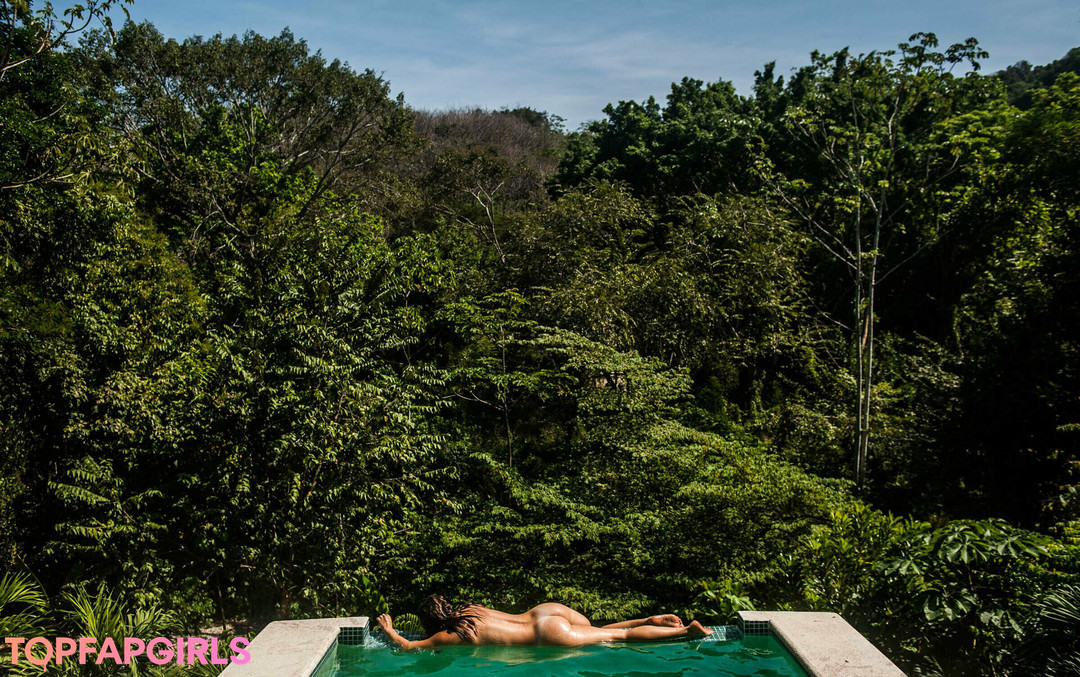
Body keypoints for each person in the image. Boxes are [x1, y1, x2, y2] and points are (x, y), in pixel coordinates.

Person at [374, 595, 711, 651]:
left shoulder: (453, 636)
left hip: (546, 634)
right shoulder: (471, 611)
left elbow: (411, 646)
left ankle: (685, 631)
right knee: (598, 631)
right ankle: (648, 620)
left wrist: (389, 630)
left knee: (621, 638)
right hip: (545, 612)